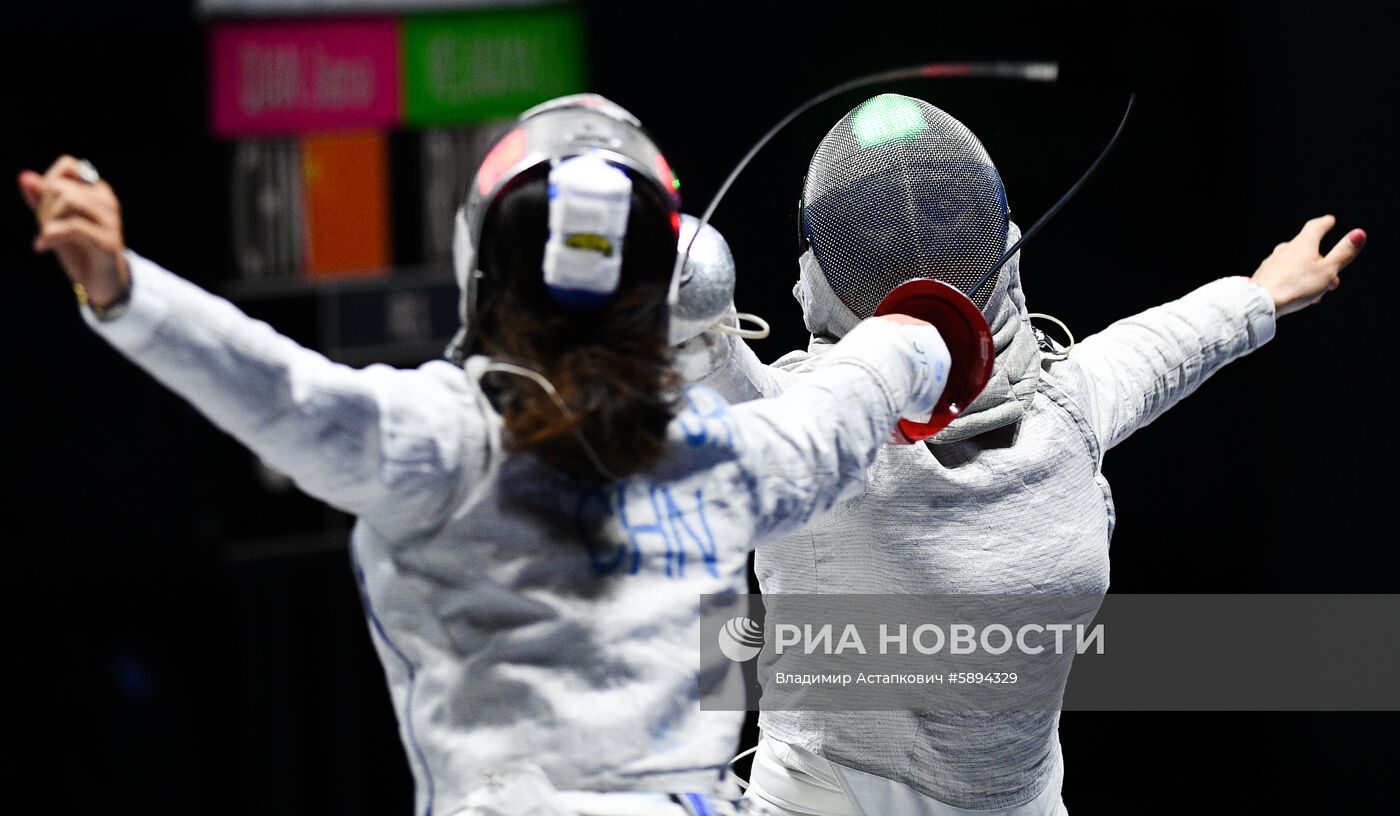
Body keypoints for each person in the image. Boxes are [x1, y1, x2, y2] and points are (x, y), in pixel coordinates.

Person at [18, 95, 957, 816]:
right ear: (652, 290)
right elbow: (855, 393)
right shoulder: (718, 454)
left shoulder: (445, 440)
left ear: (484, 268)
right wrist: (930, 343)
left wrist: (125, 290)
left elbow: (288, 394)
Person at [679, 93, 1367, 816]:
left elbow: (1171, 344)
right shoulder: (815, 424)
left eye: (946, 224)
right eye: (882, 234)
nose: (920, 253)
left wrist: (1260, 296)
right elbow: (707, 369)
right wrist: (675, 314)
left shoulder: (1065, 402)